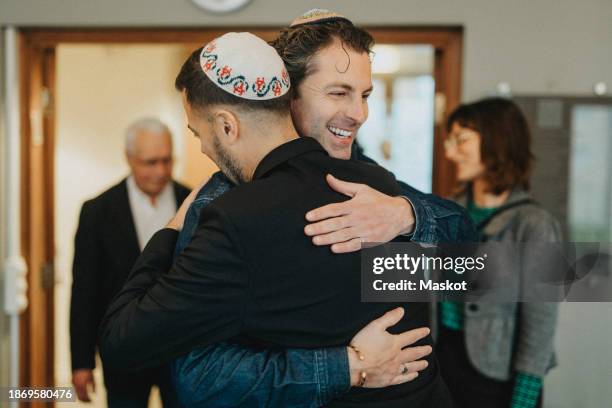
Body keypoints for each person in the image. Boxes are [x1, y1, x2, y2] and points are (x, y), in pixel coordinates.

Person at [98, 32, 454, 408]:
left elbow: (123, 343)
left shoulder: (233, 222)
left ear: (226, 126)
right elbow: (456, 281)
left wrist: (170, 229)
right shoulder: (379, 190)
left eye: (197, 132)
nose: (203, 147)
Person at [438, 97, 560, 408]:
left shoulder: (534, 224)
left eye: (461, 140)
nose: (450, 152)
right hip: (442, 366)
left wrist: (524, 398)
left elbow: (540, 326)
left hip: (498, 377)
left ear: (497, 141)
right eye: (449, 140)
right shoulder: (446, 212)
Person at [70, 118, 188, 407]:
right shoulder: (97, 212)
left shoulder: (193, 201)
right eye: (150, 162)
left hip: (182, 347)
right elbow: (85, 291)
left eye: (166, 160)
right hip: (124, 348)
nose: (160, 171)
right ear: (129, 159)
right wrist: (82, 362)